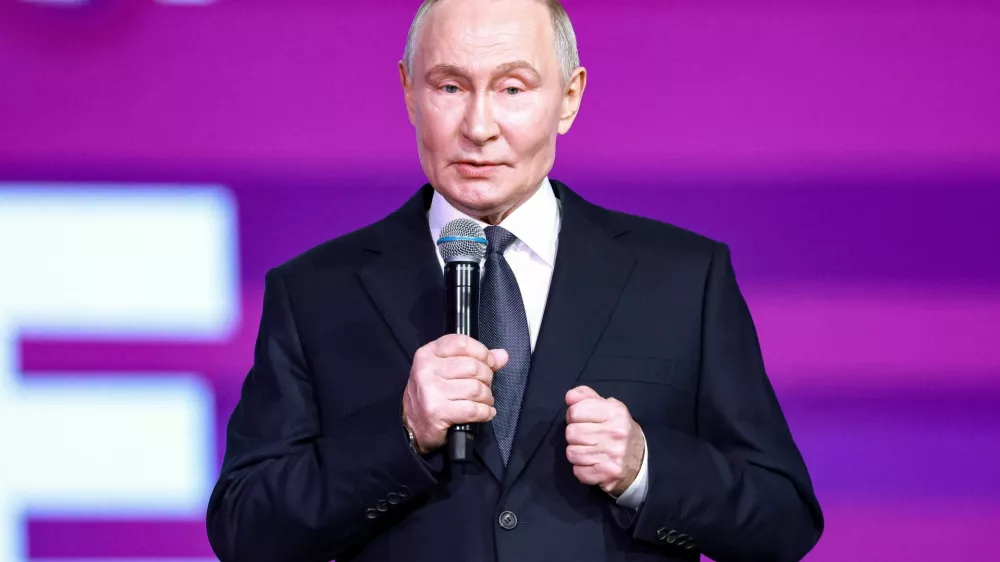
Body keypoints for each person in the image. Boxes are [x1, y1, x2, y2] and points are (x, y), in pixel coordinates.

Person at [205, 0, 824, 560]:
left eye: (512, 88)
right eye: (450, 86)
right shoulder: (316, 290)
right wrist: (402, 434)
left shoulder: (684, 278)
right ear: (409, 92)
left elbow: (783, 520)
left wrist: (644, 469)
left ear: (569, 98)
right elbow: (245, 530)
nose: (479, 126)